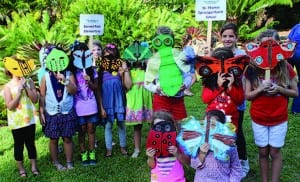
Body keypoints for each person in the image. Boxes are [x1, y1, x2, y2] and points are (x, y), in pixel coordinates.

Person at [244, 29, 298, 182]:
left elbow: (295, 93)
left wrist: (280, 89)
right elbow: (247, 96)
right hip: (259, 118)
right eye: (264, 46)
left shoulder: (285, 67)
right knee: (262, 152)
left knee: (274, 152)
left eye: (272, 45)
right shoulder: (252, 69)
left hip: (279, 118)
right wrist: (260, 89)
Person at [39, 46, 78, 170]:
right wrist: (41, 111)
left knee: (67, 137)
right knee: (53, 139)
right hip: (51, 112)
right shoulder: (45, 76)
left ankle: (69, 162)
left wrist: (65, 81)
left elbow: (74, 91)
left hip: (67, 110)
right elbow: (42, 95)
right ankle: (56, 162)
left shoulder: (69, 74)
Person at [219, 22, 250, 178]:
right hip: (221, 101)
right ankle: (226, 163)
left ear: (236, 37)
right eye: (225, 36)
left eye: (231, 36)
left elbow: (247, 76)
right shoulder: (216, 53)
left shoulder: (242, 55)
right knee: (223, 131)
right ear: (220, 37)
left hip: (237, 100)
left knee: (237, 132)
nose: (228, 39)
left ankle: (243, 162)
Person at [144, 26, 191, 123]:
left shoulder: (179, 57)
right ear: (156, 42)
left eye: (167, 41)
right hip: (161, 100)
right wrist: (156, 88)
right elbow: (147, 83)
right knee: (162, 129)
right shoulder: (153, 61)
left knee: (181, 129)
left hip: (178, 100)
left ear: (172, 41)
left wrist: (185, 85)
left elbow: (188, 76)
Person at [3, 56, 39, 177]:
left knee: (31, 144)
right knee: (19, 146)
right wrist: (18, 92)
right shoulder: (7, 87)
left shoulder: (29, 82)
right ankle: (21, 169)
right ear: (10, 69)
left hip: (29, 121)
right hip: (17, 123)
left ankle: (34, 167)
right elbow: (10, 106)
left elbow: (35, 100)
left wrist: (27, 86)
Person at [96, 43, 131, 157]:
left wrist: (123, 73)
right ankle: (109, 149)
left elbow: (126, 86)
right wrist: (101, 107)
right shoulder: (101, 70)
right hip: (107, 101)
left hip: (119, 100)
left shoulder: (120, 66)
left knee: (121, 124)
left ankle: (123, 147)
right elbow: (99, 90)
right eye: (106, 54)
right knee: (108, 125)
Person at [190, 110, 243, 181]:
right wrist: (202, 154)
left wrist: (233, 180)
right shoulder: (198, 145)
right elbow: (194, 165)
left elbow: (236, 168)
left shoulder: (229, 146)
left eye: (212, 125)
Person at [70, 41, 100, 165]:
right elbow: (72, 90)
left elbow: (96, 87)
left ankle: (92, 152)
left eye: (84, 53)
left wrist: (89, 80)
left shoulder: (92, 71)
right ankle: (83, 153)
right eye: (79, 53)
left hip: (91, 104)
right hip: (78, 106)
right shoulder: (71, 72)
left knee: (91, 129)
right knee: (81, 130)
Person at [122, 41, 153, 158]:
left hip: (147, 99)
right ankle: (137, 149)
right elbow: (128, 85)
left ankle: (154, 146)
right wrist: (125, 70)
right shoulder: (129, 71)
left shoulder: (147, 70)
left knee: (152, 124)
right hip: (135, 100)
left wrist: (149, 64)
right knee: (137, 127)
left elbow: (153, 78)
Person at [146, 111, 190, 182]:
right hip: (157, 179)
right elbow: (152, 166)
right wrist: (150, 157)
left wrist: (177, 153)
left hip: (176, 179)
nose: (162, 132)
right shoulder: (152, 144)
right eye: (158, 127)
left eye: (166, 127)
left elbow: (187, 162)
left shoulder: (179, 142)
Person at [287, 23, 300, 113]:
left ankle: (282, 106)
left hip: (290, 54)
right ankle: (296, 109)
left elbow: (288, 40)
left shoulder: (297, 26)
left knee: (285, 80)